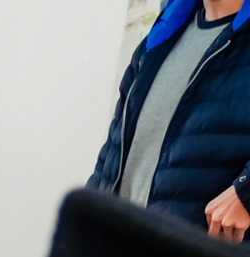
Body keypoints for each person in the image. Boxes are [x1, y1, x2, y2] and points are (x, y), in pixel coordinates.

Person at [89, 0, 250, 241]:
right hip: (117, 249)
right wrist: (85, 224)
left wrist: (245, 192)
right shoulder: (160, 37)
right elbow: (112, 152)